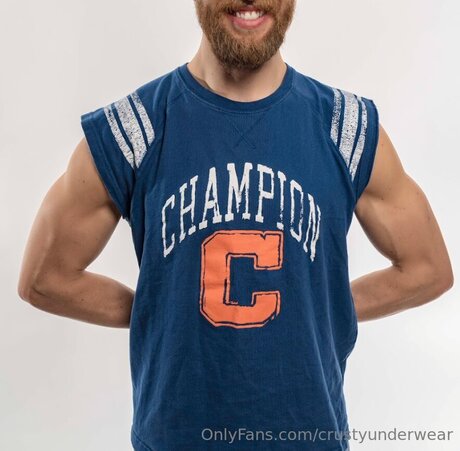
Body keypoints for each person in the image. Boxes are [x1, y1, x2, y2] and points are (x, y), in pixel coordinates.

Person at [17, 0, 454, 450]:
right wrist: (161, 309)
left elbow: (427, 269)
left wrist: (320, 306)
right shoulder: (133, 129)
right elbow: (44, 279)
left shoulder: (346, 128)